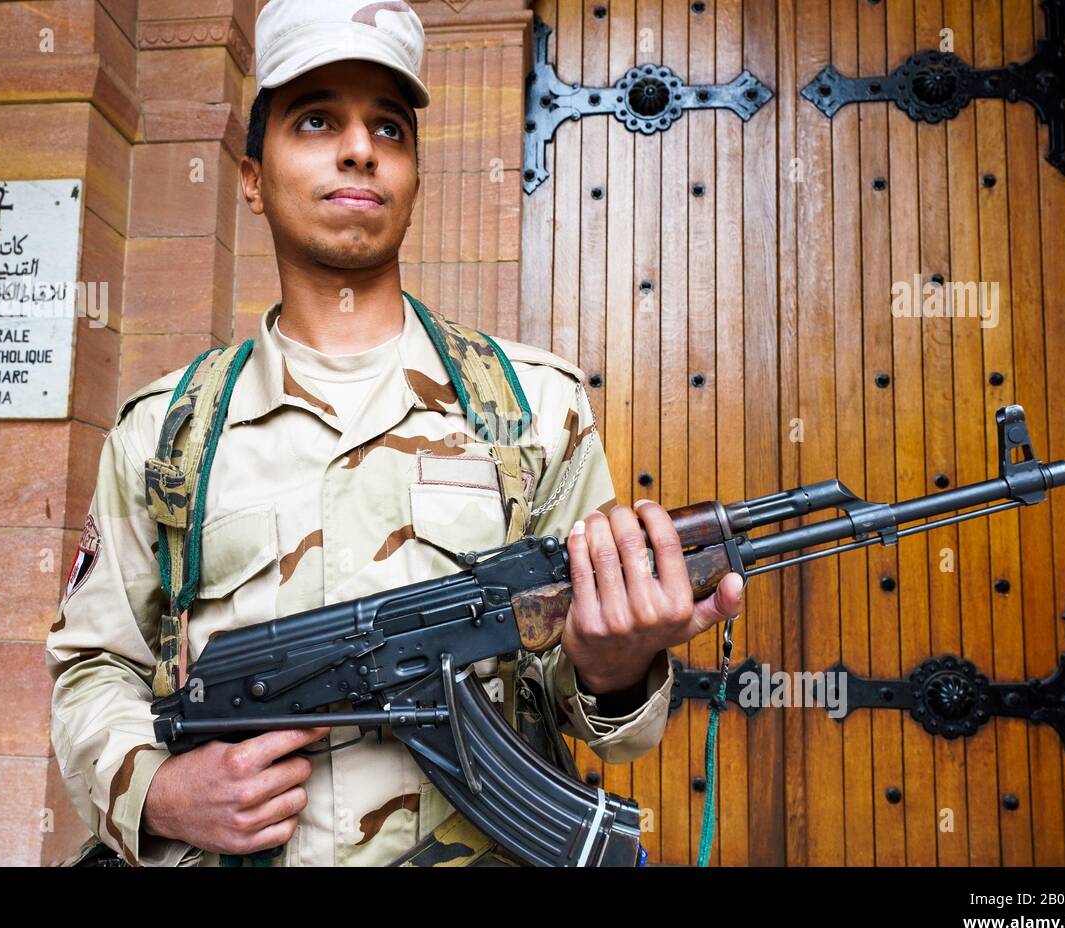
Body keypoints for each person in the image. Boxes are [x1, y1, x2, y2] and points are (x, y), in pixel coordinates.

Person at [46, 0, 744, 867]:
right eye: (315, 119)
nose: (359, 147)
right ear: (253, 174)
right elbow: (92, 669)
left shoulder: (534, 409)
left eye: (389, 126)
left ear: (413, 174)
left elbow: (599, 718)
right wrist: (159, 792)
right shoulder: (166, 433)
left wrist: (616, 662)